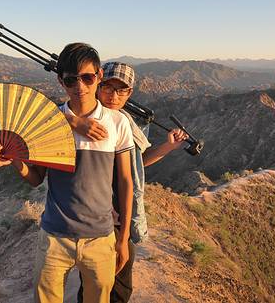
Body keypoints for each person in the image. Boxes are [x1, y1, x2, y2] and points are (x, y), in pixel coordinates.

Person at [0, 43, 134, 303]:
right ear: (60, 81)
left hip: (100, 237)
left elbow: (125, 182)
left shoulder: (117, 122)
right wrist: (14, 160)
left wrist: (123, 239)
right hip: (55, 236)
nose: (80, 86)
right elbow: (35, 179)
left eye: (87, 78)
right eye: (71, 80)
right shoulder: (49, 124)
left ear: (99, 75)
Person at [69, 61, 188, 303]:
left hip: (119, 211)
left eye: (121, 90)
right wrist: (74, 121)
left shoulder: (124, 121)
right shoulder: (88, 121)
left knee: (114, 279)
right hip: (97, 213)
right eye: (108, 87)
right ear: (98, 85)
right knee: (104, 282)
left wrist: (168, 147)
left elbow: (137, 163)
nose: (113, 96)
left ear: (129, 92)